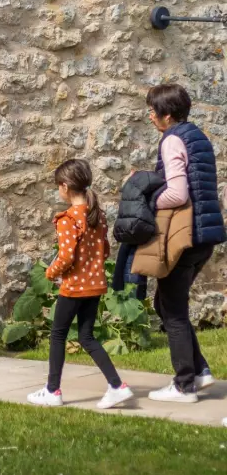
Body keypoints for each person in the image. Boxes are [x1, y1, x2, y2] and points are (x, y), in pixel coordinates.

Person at [28, 159, 134, 410]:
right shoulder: (97, 216)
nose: (58, 191)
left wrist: (51, 273)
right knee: (87, 337)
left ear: (64, 186)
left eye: (58, 187)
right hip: (95, 286)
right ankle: (117, 386)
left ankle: (53, 391)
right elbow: (105, 251)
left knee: (58, 335)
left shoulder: (68, 219)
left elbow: (66, 256)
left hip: (74, 288)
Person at [145, 84, 226, 404]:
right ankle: (201, 371)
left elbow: (178, 193)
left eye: (153, 111)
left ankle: (183, 385)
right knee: (165, 304)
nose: (150, 116)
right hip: (204, 236)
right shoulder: (199, 137)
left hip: (183, 237)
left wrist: (150, 200)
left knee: (173, 310)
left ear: (167, 115)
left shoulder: (172, 139)